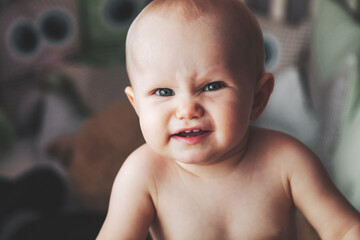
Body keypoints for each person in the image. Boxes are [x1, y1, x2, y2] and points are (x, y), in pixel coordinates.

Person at [97, 0, 360, 239]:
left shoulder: (286, 161)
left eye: (211, 87)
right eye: (163, 92)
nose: (187, 110)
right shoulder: (144, 174)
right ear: (137, 106)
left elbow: (344, 228)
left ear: (257, 98)